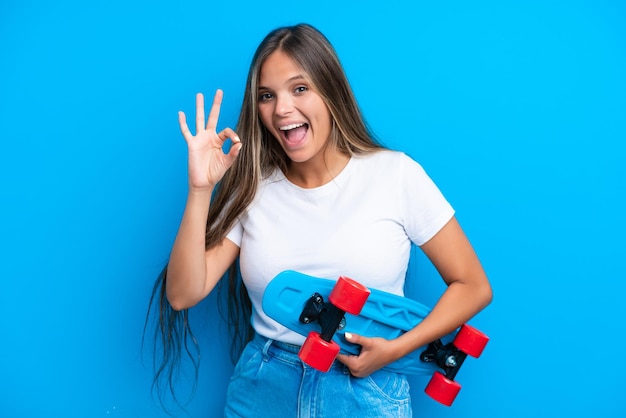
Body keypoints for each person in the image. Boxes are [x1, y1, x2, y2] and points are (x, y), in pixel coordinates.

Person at [149, 23, 492, 417]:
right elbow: (182, 294)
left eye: (299, 88)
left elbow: (473, 286)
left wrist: (397, 349)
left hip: (366, 390)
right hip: (263, 389)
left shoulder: (395, 176)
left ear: (330, 91)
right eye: (267, 95)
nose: (281, 109)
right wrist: (199, 190)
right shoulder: (253, 188)